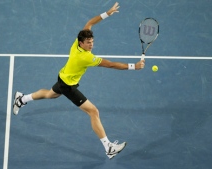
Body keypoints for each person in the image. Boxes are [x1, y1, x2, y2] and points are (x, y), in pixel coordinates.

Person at [13, 2, 145, 159]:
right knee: (93, 111)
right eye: (88, 43)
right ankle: (108, 147)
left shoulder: (78, 42)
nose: (91, 44)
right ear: (81, 43)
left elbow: (90, 23)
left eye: (92, 42)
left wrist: (107, 13)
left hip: (63, 78)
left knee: (49, 94)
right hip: (68, 86)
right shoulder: (86, 57)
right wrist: (133, 66)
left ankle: (21, 99)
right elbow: (109, 65)